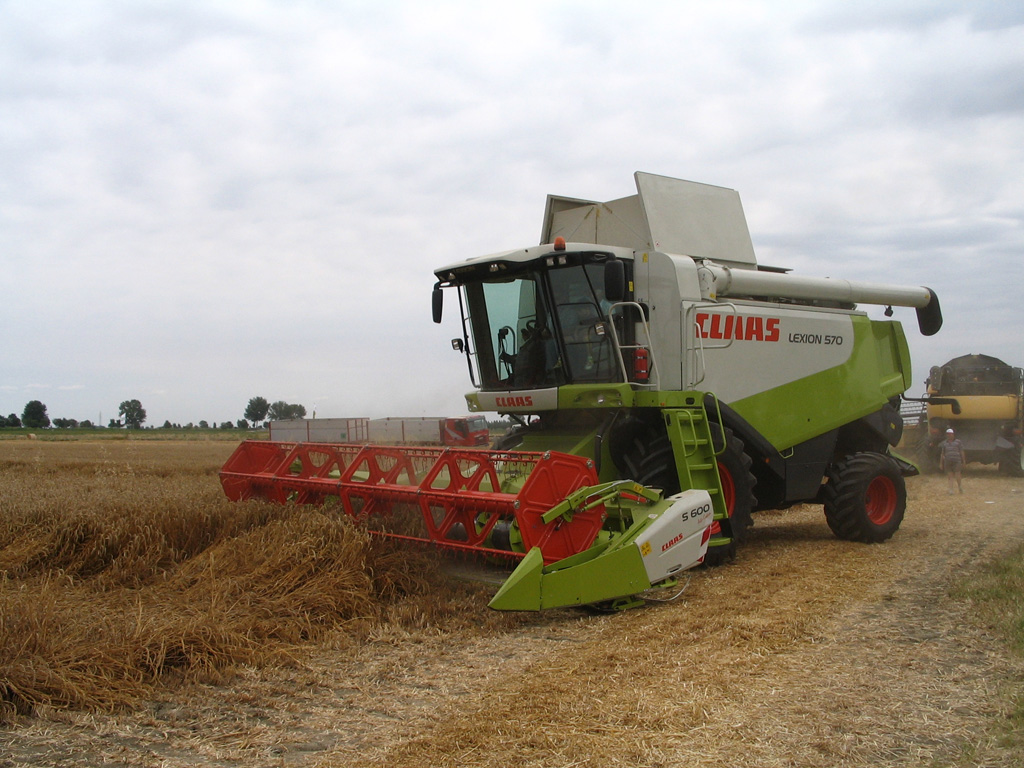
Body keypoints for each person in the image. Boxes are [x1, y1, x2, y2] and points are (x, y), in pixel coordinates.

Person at [939, 428, 966, 494]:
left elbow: (961, 451)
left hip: (957, 461)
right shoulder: (944, 443)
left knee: (957, 474)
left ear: (953, 434)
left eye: (950, 434)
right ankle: (951, 490)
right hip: (948, 461)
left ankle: (960, 487)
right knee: (950, 476)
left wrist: (964, 461)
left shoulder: (958, 442)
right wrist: (941, 463)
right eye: (948, 434)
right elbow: (942, 454)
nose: (949, 436)